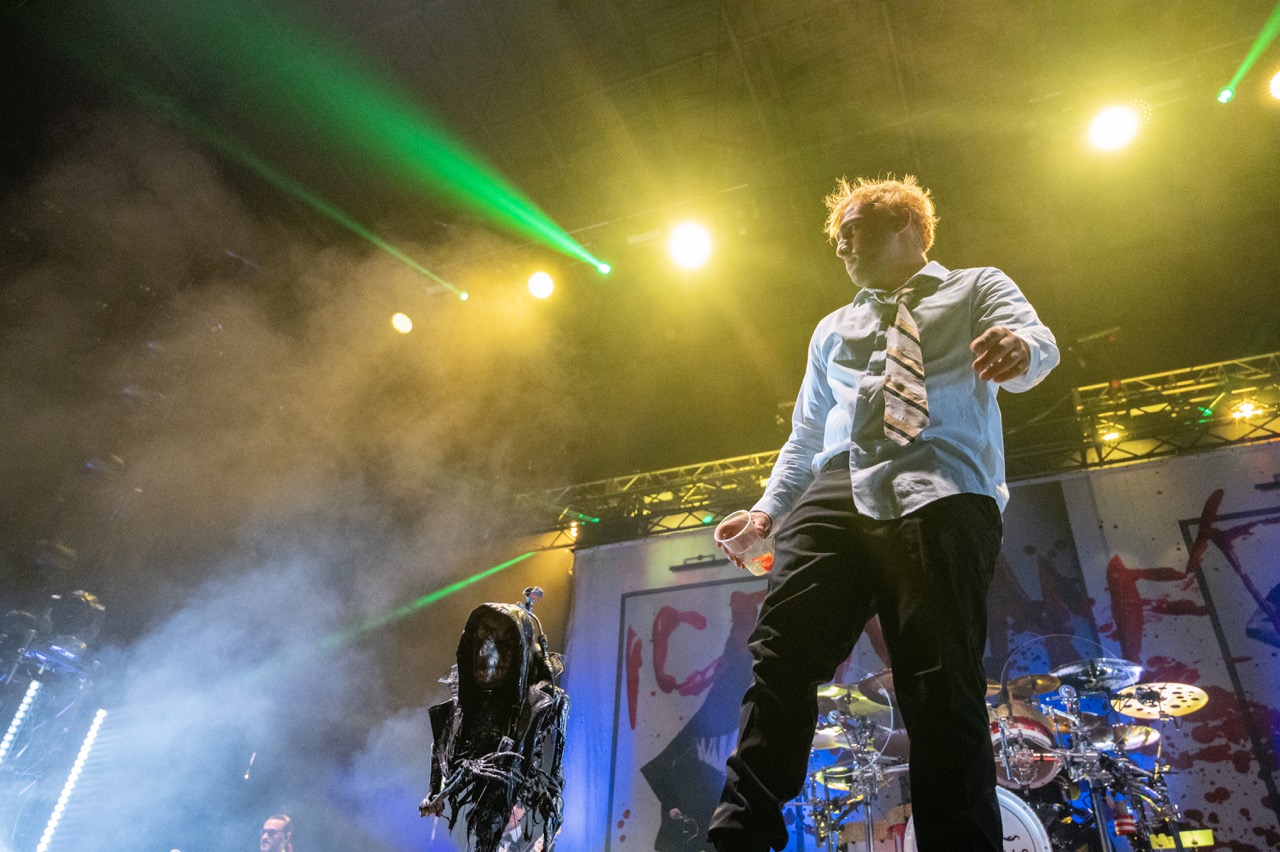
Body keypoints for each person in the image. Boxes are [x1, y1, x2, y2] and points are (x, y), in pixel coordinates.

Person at [706, 176, 1060, 852]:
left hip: (941, 484)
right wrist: (765, 513)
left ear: (907, 225)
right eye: (837, 237)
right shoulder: (831, 329)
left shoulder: (976, 287)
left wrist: (1019, 351)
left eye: (854, 229)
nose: (841, 245)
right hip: (838, 485)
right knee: (780, 659)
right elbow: (805, 436)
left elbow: (1037, 343)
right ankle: (739, 839)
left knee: (940, 682)